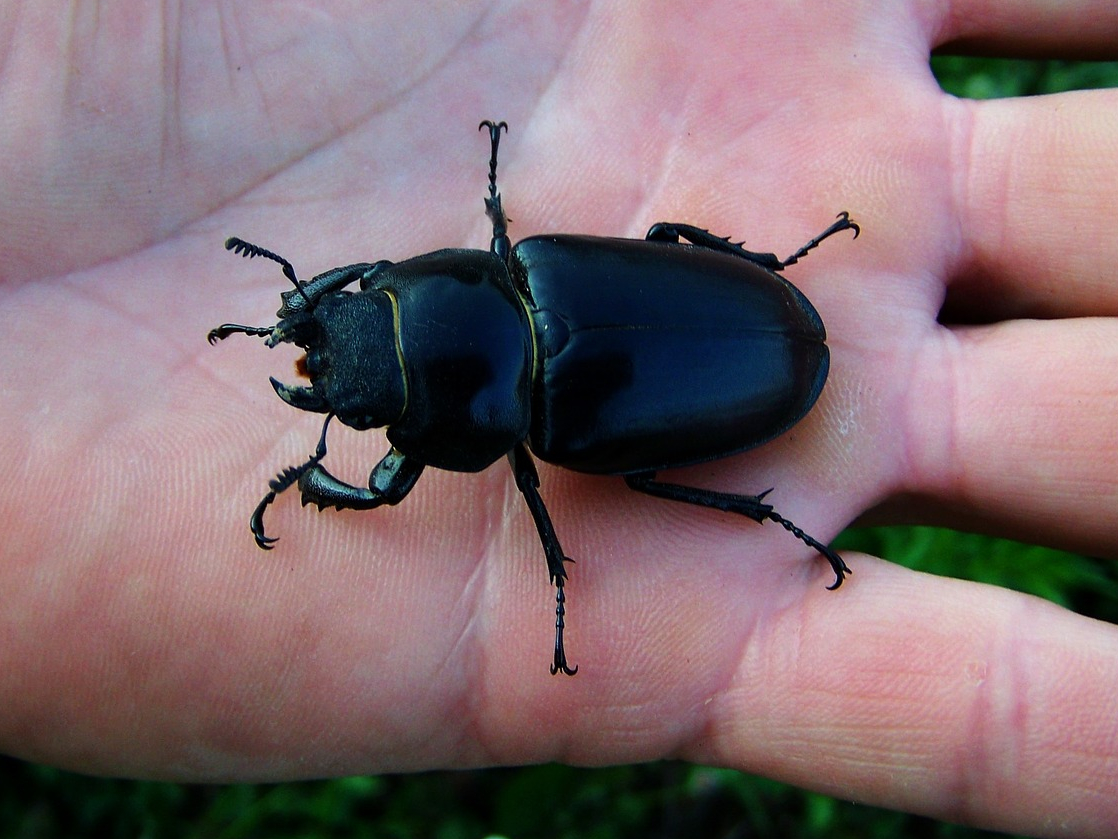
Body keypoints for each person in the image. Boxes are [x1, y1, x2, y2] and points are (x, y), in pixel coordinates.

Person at [0, 2, 1115, 835]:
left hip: (757, 357)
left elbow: (384, 480)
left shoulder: (534, 401)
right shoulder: (523, 264)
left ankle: (769, 470)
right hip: (734, 336)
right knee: (649, 315)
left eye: (361, 308)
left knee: (628, 466)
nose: (335, 337)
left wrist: (307, 477)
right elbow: (402, 284)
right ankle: (770, 466)